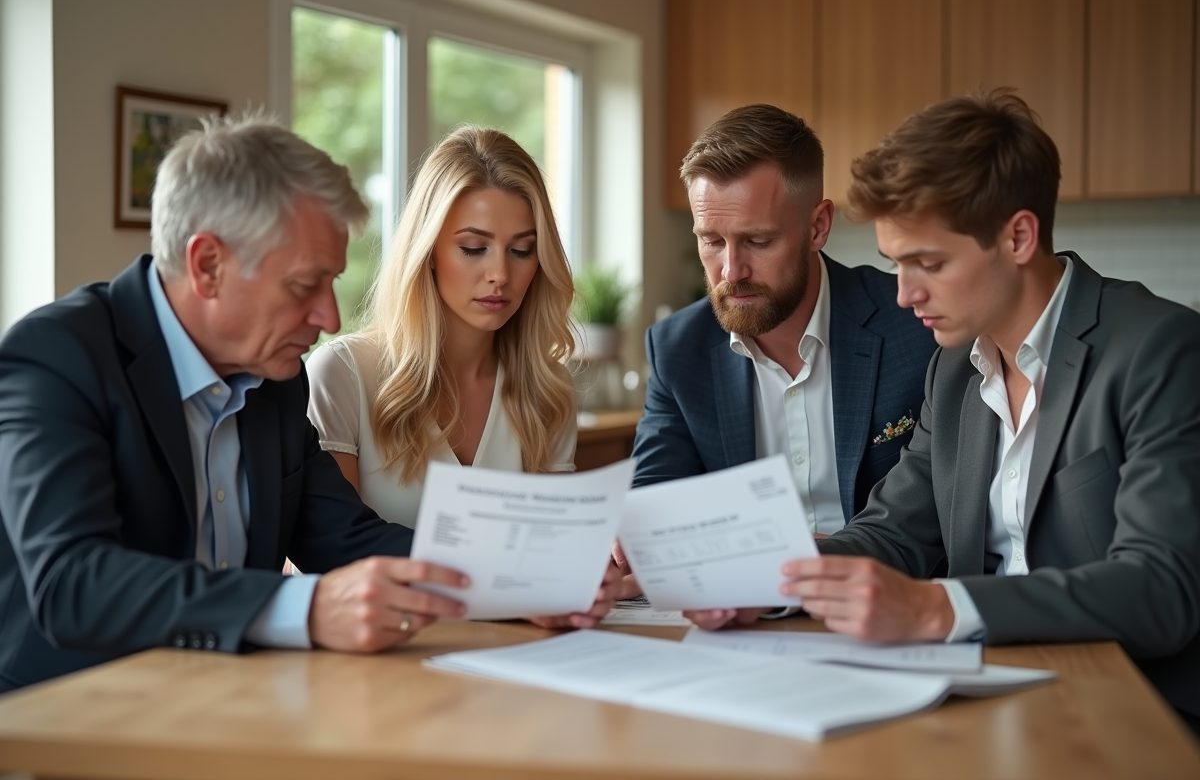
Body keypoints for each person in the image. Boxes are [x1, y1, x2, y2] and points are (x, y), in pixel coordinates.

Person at [749, 90, 1199, 735]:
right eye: (895, 264)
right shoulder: (957, 366)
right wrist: (769, 581)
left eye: (928, 263)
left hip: (1130, 706)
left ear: (1018, 235)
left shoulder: (1160, 351)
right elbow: (894, 532)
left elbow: (1160, 588)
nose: (905, 295)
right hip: (979, 697)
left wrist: (938, 609)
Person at [0, 114, 470, 694]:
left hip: (231, 698)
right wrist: (305, 606)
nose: (330, 319)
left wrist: (524, 577)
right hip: (70, 714)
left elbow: (346, 540)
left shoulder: (276, 377)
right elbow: (73, 584)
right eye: (305, 286)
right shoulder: (58, 357)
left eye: (333, 285)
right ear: (207, 266)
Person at [622, 104, 936, 611]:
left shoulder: (916, 328)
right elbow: (656, 496)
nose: (730, 271)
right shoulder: (679, 348)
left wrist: (767, 574)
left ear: (817, 227)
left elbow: (932, 521)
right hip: (738, 621)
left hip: (886, 615)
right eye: (711, 241)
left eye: (758, 241)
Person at [306, 126, 613, 630]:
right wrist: (510, 590)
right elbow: (333, 554)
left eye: (521, 250)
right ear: (427, 250)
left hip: (513, 665)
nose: (500, 275)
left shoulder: (547, 389)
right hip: (378, 667)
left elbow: (550, 565)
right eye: (474, 248)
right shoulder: (342, 374)